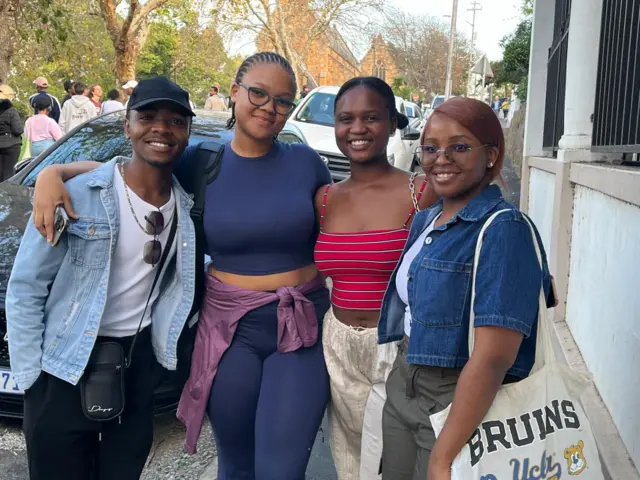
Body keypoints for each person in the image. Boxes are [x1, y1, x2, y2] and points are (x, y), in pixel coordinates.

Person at [30, 52, 333, 479]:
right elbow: (126, 174)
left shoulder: (306, 163)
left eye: (282, 101)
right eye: (258, 94)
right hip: (231, 333)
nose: (269, 107)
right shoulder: (201, 162)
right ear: (234, 92)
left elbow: (347, 220)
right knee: (236, 464)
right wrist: (53, 173)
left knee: (282, 469)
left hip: (297, 327)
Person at [6, 77, 197, 480]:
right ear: (127, 126)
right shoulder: (76, 194)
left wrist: (54, 168)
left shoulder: (188, 205)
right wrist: (32, 381)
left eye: (175, 121)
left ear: (186, 133)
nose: (161, 128)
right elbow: (26, 287)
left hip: (137, 365)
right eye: (147, 117)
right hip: (63, 365)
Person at [377, 97, 553, 480]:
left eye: (458, 146)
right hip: (404, 385)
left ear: (490, 155)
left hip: (457, 401)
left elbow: (493, 357)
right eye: (430, 147)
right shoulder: (426, 220)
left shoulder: (504, 229)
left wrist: (444, 456)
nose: (441, 158)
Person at [313, 77, 438, 479]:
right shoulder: (326, 198)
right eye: (346, 118)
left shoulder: (422, 192)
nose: (357, 129)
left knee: (395, 457)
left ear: (392, 123)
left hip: (397, 347)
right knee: (350, 454)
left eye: (371, 117)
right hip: (337, 345)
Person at [0, 83, 23, 181]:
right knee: (9, 175)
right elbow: (17, 130)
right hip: (11, 145)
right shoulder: (11, 110)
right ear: (9, 95)